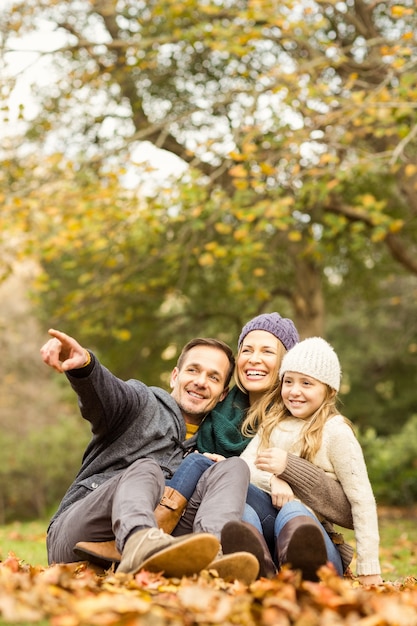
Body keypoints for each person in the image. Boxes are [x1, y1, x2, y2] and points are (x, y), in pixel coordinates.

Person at [40, 328, 259, 582]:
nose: (200, 381)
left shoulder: (208, 444)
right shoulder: (142, 403)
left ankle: (211, 556)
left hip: (163, 542)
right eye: (193, 370)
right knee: (147, 468)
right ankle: (138, 542)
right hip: (80, 533)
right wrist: (85, 367)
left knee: (233, 467)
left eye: (213, 377)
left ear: (222, 394)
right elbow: (108, 394)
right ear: (175, 377)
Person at [240, 337, 383, 584]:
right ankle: (258, 567)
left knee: (294, 509)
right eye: (288, 382)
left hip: (320, 550)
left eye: (306, 383)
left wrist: (369, 568)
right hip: (273, 541)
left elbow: (362, 502)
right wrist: (275, 479)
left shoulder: (336, 432)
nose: (294, 391)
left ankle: (299, 570)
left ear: (329, 390)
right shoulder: (274, 423)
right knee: (240, 504)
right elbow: (244, 467)